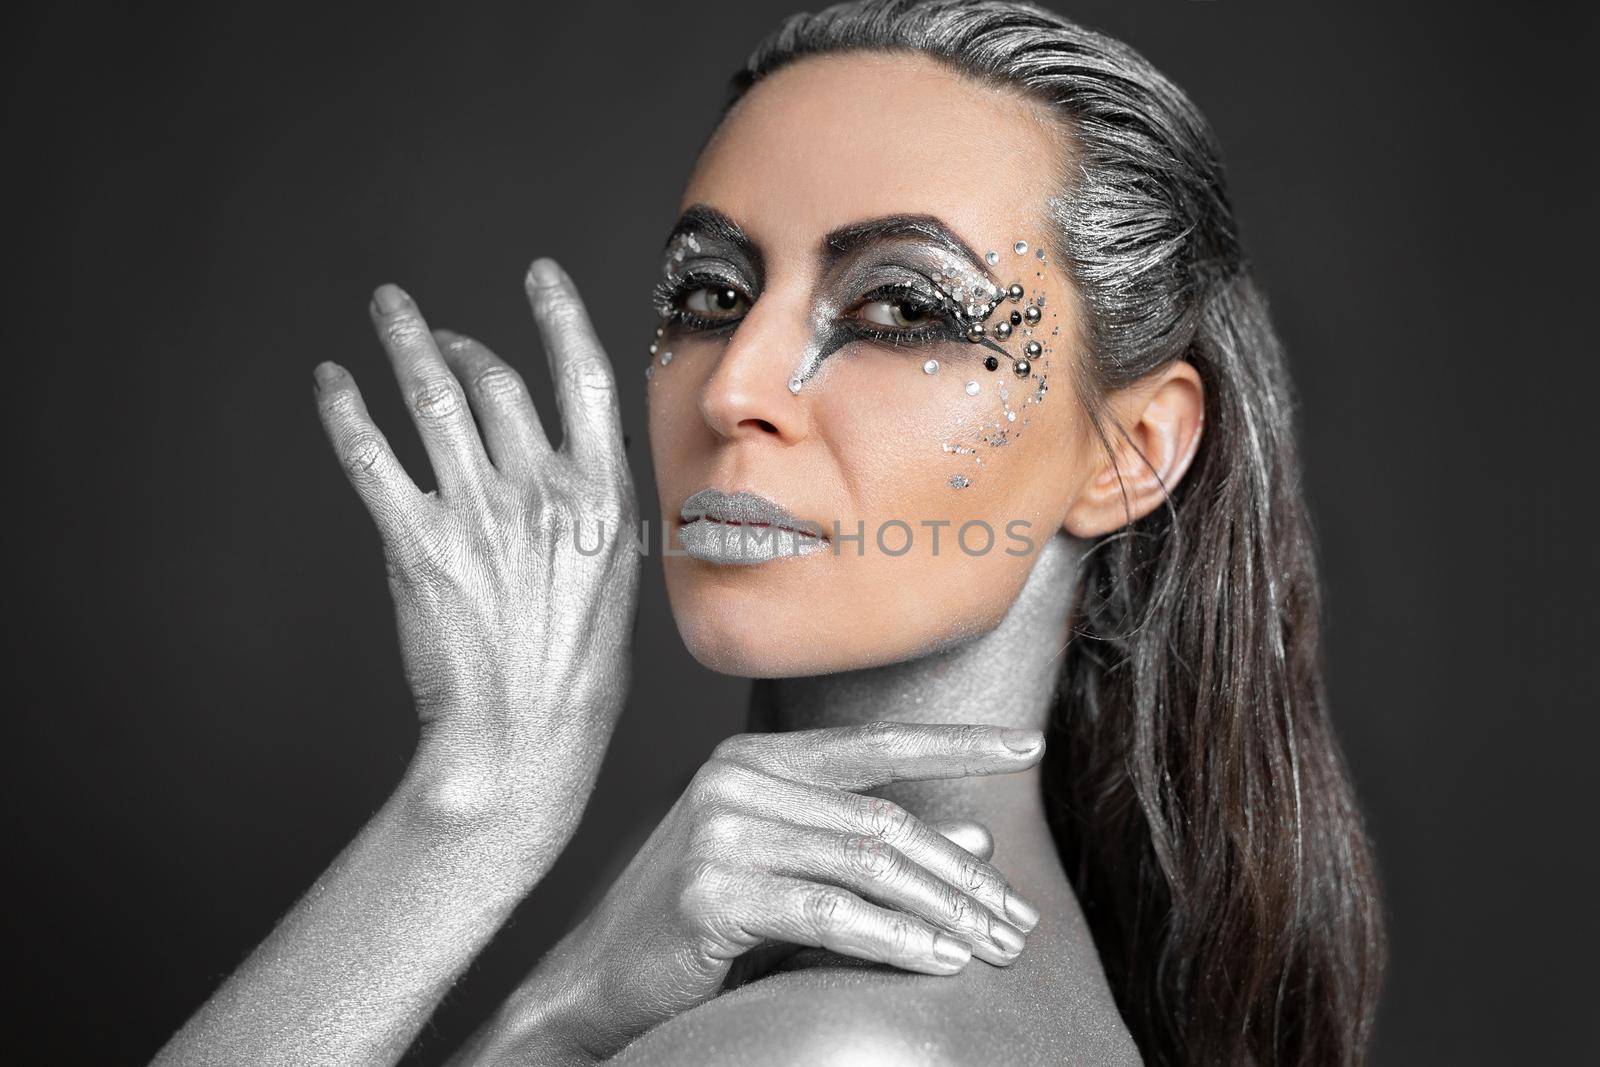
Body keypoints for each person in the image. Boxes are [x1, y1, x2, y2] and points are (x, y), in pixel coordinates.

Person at [157, 2, 1385, 1063]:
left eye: (900, 307)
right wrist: (561, 1010)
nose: (733, 381)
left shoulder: (835, 1040)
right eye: (709, 294)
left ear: (1131, 450)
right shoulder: (748, 944)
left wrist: (479, 807)